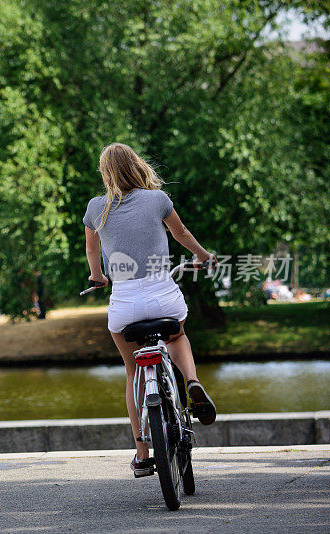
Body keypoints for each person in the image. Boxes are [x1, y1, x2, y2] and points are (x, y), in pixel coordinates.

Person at [82, 142, 217, 478]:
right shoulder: (158, 200)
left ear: (106, 172)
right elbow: (181, 233)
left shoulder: (95, 208)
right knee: (177, 335)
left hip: (124, 303)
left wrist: (98, 277)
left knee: (132, 371)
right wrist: (203, 256)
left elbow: (92, 251)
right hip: (162, 295)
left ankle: (142, 453)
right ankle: (193, 381)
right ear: (136, 165)